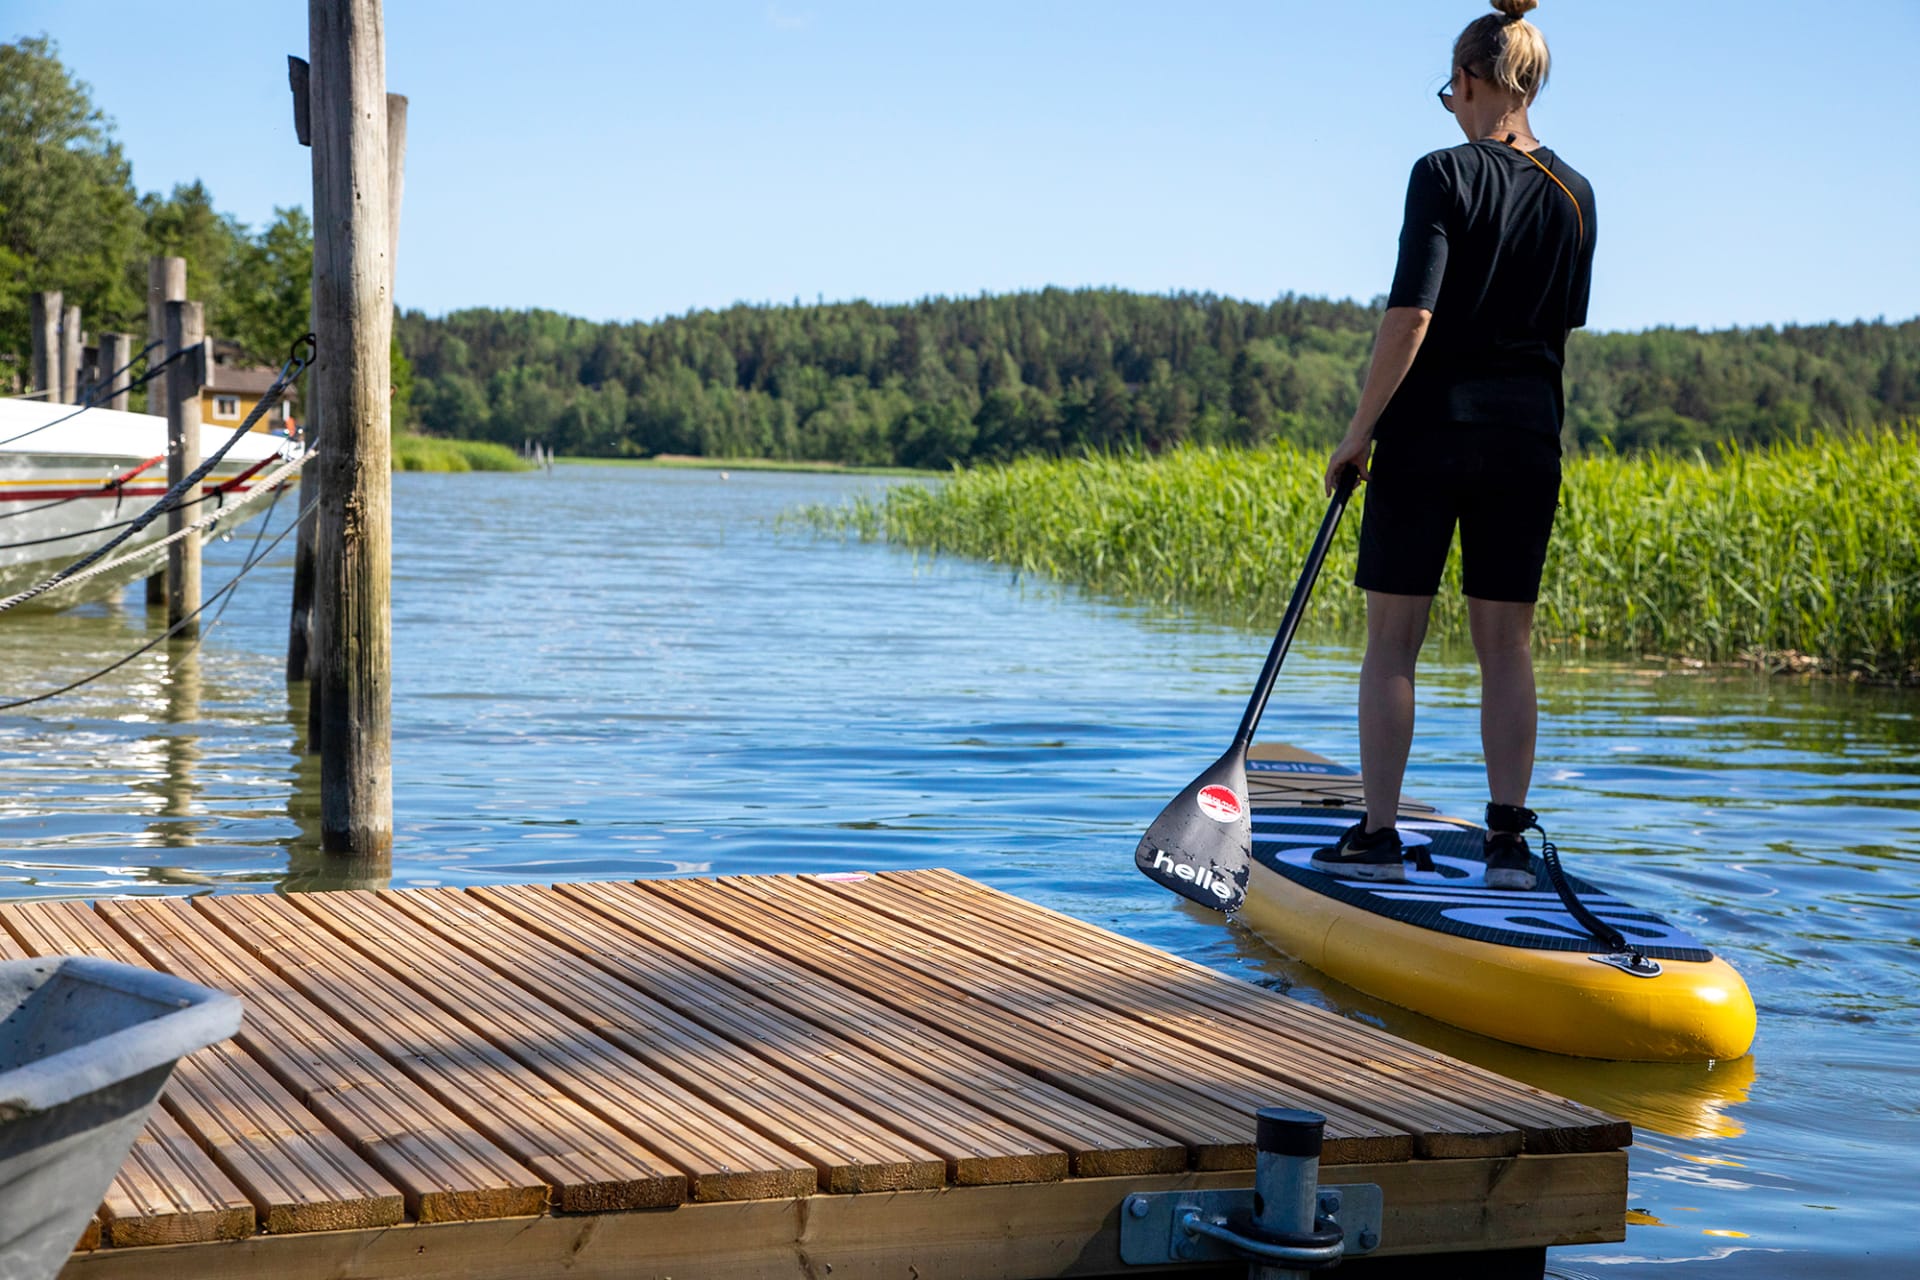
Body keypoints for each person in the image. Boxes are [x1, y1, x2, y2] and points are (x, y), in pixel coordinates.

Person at [1311, 0, 1595, 889]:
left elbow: (1413, 313)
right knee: (1506, 645)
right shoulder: (1576, 193)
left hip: (1430, 433)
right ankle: (1507, 841)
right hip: (1527, 441)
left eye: (1450, 91)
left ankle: (1380, 836)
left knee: (1393, 640)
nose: (1450, 106)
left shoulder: (1440, 172)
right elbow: (1561, 328)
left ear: (1469, 83)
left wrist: (1358, 434)